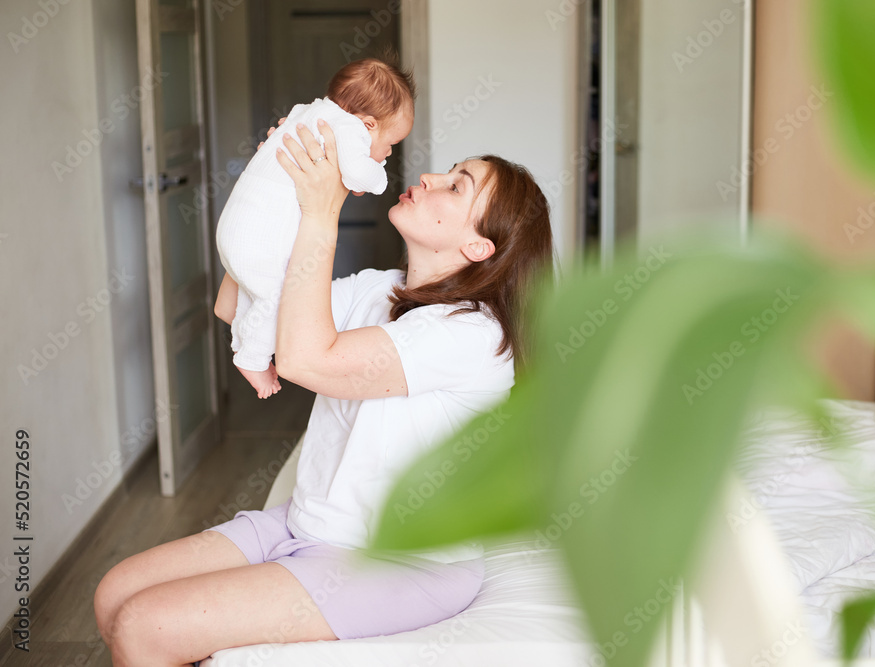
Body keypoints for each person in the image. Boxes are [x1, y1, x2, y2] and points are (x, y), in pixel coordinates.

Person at [93, 117, 553, 665]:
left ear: (479, 247)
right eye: (447, 172)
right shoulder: (380, 289)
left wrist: (321, 211)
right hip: (308, 523)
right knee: (114, 596)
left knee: (144, 627)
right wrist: (277, 190)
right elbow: (235, 305)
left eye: (456, 186)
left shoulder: (473, 333)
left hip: (401, 563)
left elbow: (304, 360)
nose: (430, 177)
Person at [216, 56, 415, 399]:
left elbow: (225, 308)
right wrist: (377, 176)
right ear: (368, 124)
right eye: (391, 144)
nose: (387, 153)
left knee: (262, 296)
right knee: (276, 298)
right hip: (256, 238)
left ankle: (242, 342)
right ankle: (252, 358)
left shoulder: (306, 112)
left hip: (239, 229)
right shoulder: (349, 129)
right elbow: (359, 174)